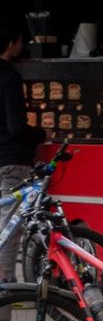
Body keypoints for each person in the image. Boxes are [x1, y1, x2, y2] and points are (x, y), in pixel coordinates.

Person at [1, 26, 38, 282]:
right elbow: (17, 127)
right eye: (20, 42)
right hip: (12, 160)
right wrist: (42, 134)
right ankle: (6, 298)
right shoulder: (10, 77)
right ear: (11, 44)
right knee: (9, 230)